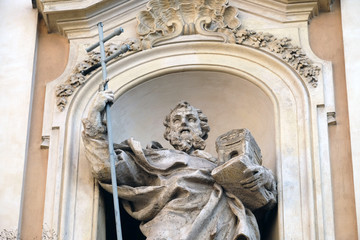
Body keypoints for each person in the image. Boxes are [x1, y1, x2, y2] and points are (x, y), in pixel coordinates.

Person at [82, 90, 277, 240]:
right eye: (177, 120)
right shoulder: (153, 159)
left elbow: (264, 202)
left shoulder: (223, 163)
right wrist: (93, 123)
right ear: (169, 132)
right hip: (172, 226)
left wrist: (263, 177)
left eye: (191, 119)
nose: (184, 123)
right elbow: (108, 168)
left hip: (222, 223)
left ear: (202, 130)